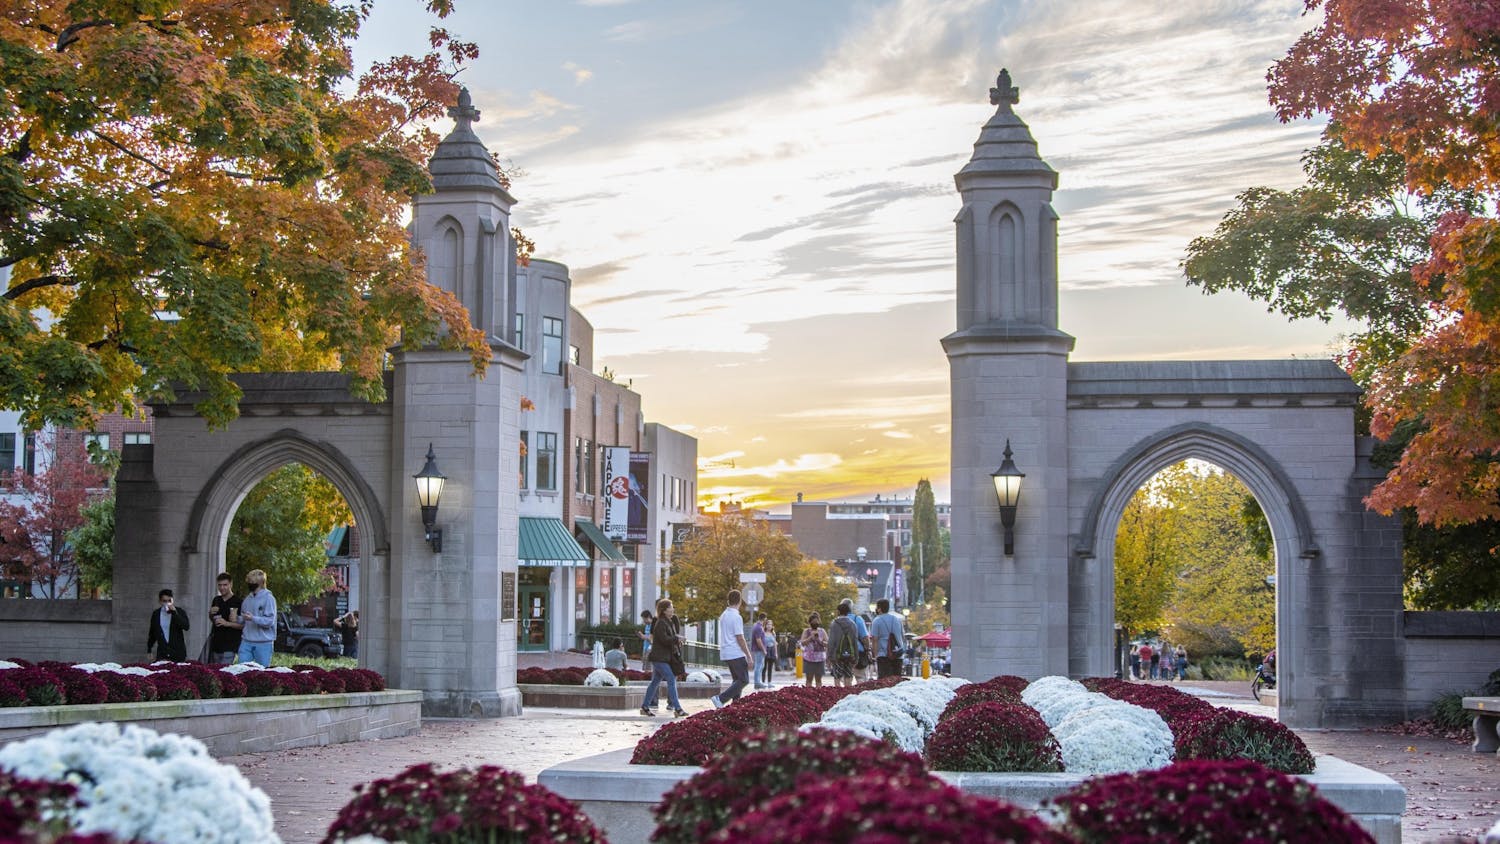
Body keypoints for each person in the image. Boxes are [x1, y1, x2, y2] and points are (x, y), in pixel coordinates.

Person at [641, 598, 688, 717]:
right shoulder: (661, 623)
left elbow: (670, 638)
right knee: (671, 679)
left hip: (664, 658)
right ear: (664, 610)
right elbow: (664, 640)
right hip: (659, 658)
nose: (672, 609)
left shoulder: (669, 621)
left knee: (655, 682)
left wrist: (677, 640)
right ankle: (677, 709)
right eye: (670, 607)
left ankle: (645, 707)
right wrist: (677, 638)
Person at [710, 589, 750, 708]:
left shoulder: (724, 615)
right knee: (744, 680)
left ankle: (735, 706)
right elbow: (740, 638)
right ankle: (720, 698)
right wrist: (748, 655)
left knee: (737, 680)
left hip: (726, 652)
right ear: (740, 601)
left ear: (728, 601)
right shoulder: (736, 617)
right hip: (735, 652)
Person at [237, 569, 277, 667]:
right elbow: (243, 620)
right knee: (241, 669)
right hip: (246, 641)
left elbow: (269, 621)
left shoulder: (269, 598)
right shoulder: (247, 599)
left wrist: (253, 618)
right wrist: (237, 618)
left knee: (262, 671)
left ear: (260, 583)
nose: (249, 584)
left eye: (252, 582)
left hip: (263, 642)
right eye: (249, 581)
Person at [146, 588, 191, 661]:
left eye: (169, 601)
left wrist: (175, 613)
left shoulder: (179, 611)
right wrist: (149, 649)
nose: (167, 603)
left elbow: (186, 626)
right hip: (162, 652)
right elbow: (152, 633)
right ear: (160, 601)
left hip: (177, 652)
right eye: (164, 601)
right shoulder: (156, 614)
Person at [207, 573, 242, 664]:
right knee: (214, 670)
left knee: (225, 670)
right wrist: (210, 614)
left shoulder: (238, 602)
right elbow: (213, 620)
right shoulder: (216, 600)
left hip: (230, 645)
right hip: (216, 644)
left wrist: (226, 623)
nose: (222, 588)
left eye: (225, 585)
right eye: (220, 585)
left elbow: (242, 625)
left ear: (231, 584)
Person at [826, 602, 861, 688]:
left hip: (837, 656)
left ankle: (838, 694)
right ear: (848, 612)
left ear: (838, 611)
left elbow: (831, 641)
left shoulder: (834, 624)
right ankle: (847, 693)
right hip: (849, 655)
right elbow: (855, 642)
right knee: (848, 676)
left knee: (837, 677)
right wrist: (856, 657)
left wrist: (829, 656)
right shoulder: (853, 624)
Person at [870, 599, 905, 679]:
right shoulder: (897, 620)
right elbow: (902, 636)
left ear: (879, 609)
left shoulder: (877, 621)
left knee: (884, 681)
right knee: (896, 680)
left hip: (883, 655)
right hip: (897, 654)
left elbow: (875, 639)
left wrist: (875, 655)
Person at [799, 612, 827, 687]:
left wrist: (819, 640)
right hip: (809, 659)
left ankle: (818, 692)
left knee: (819, 680)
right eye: (813, 622)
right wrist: (810, 637)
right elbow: (802, 643)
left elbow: (827, 643)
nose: (815, 623)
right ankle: (809, 693)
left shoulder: (822, 631)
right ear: (810, 622)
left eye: (817, 622)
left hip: (820, 658)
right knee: (809, 680)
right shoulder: (806, 631)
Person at [749, 612, 769, 689]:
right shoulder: (758, 627)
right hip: (759, 650)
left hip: (759, 650)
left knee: (761, 665)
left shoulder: (758, 626)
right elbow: (758, 640)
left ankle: (759, 682)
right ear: (765, 619)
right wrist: (763, 650)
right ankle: (757, 682)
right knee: (758, 666)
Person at [762, 619, 777, 686]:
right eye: (768, 624)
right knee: (764, 667)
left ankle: (769, 682)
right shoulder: (763, 633)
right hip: (765, 650)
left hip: (772, 650)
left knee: (770, 667)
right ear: (765, 625)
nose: (769, 626)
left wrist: (776, 653)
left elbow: (775, 644)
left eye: (770, 624)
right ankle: (762, 682)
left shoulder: (773, 633)